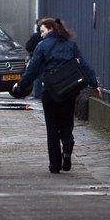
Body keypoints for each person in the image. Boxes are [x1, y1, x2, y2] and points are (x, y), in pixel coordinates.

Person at [12, 17, 100, 174]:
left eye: (43, 31)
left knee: (52, 129)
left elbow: (32, 69)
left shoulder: (43, 46)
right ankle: (67, 144)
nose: (41, 35)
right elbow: (84, 64)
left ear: (51, 29)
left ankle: (55, 165)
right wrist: (94, 84)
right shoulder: (71, 45)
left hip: (51, 91)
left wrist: (20, 85)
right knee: (67, 122)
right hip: (70, 90)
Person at [24, 20, 43, 99]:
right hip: (48, 58)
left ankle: (37, 95)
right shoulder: (51, 37)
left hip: (36, 58)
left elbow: (28, 47)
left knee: (37, 76)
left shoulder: (35, 36)